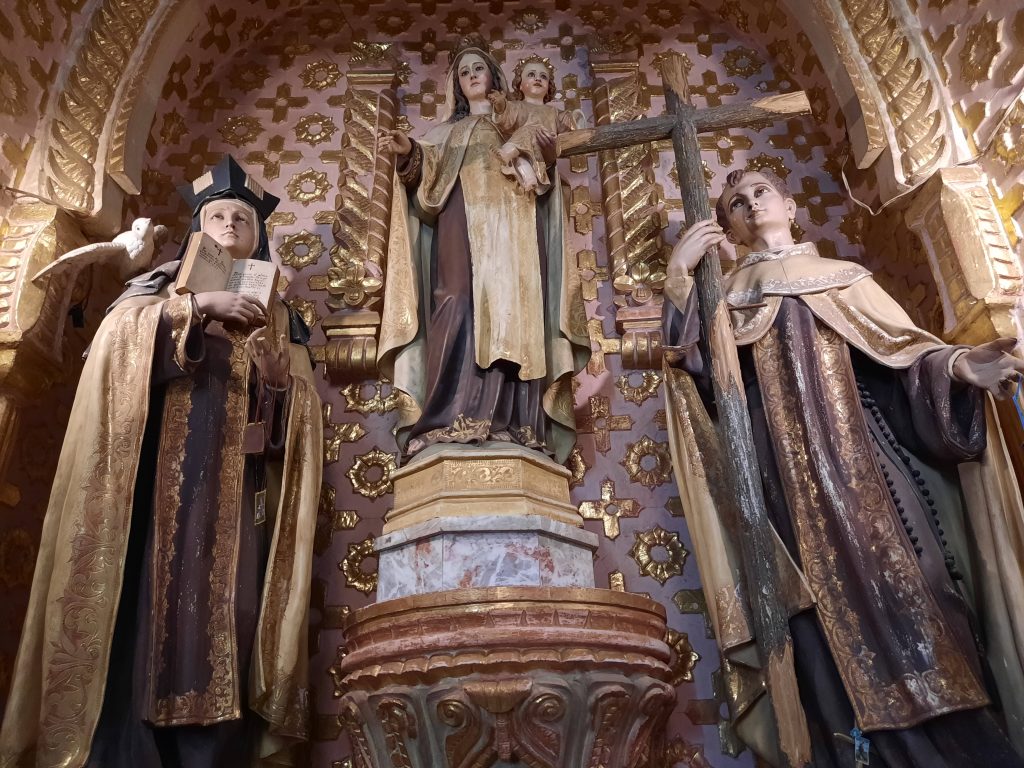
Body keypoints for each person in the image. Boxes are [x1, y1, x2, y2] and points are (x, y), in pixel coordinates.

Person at [662, 167, 1024, 767]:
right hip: (778, 483)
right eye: (736, 204)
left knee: (917, 585)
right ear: (729, 229)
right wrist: (681, 277)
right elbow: (696, 385)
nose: (751, 204)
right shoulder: (724, 299)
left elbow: (904, 356)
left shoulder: (846, 278)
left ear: (790, 205)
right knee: (813, 616)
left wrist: (957, 367)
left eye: (760, 192)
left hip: (867, 464)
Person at [0, 156, 323, 768]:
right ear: (198, 228)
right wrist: (197, 309)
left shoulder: (282, 316)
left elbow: (297, 433)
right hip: (156, 486)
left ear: (260, 236)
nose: (230, 225)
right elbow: (112, 350)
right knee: (149, 613)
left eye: (243, 219)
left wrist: (281, 389)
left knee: (234, 615)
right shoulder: (158, 285)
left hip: (241, 496)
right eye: (218, 216)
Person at [376, 34, 588, 464]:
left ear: (494, 77)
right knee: (454, 300)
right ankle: (447, 416)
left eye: (479, 69)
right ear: (456, 84)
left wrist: (543, 153)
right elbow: (424, 179)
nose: (472, 76)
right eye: (464, 72)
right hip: (460, 225)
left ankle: (515, 423)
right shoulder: (445, 133)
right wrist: (409, 152)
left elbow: (547, 170)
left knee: (514, 313)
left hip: (515, 234)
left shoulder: (515, 122)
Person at [488, 55, 578, 194]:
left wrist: (573, 123)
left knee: (528, 131)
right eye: (531, 74)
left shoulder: (555, 113)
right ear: (520, 85)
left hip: (543, 153)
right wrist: (500, 104)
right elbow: (505, 120)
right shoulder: (516, 106)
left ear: (549, 86)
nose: (538, 79)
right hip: (523, 154)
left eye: (543, 76)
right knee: (520, 158)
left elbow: (570, 136)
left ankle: (506, 152)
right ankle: (529, 179)